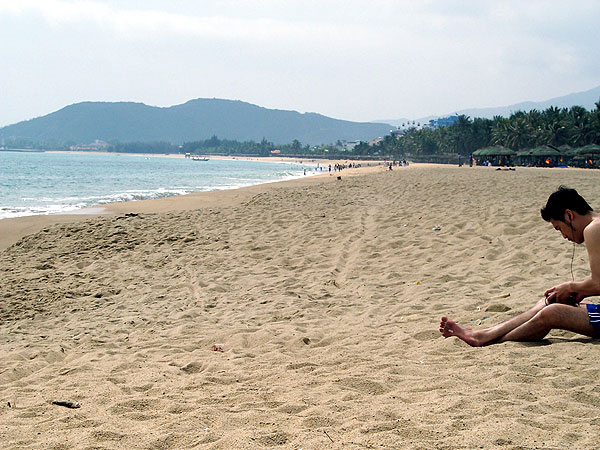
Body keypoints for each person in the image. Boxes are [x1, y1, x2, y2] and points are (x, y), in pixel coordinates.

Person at [440, 186, 600, 346]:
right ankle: (485, 334)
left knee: (552, 313)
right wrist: (581, 290)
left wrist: (571, 287)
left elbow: (598, 283)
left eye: (559, 228)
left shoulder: (593, 229)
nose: (564, 235)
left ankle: (488, 339)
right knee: (548, 302)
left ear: (569, 215)